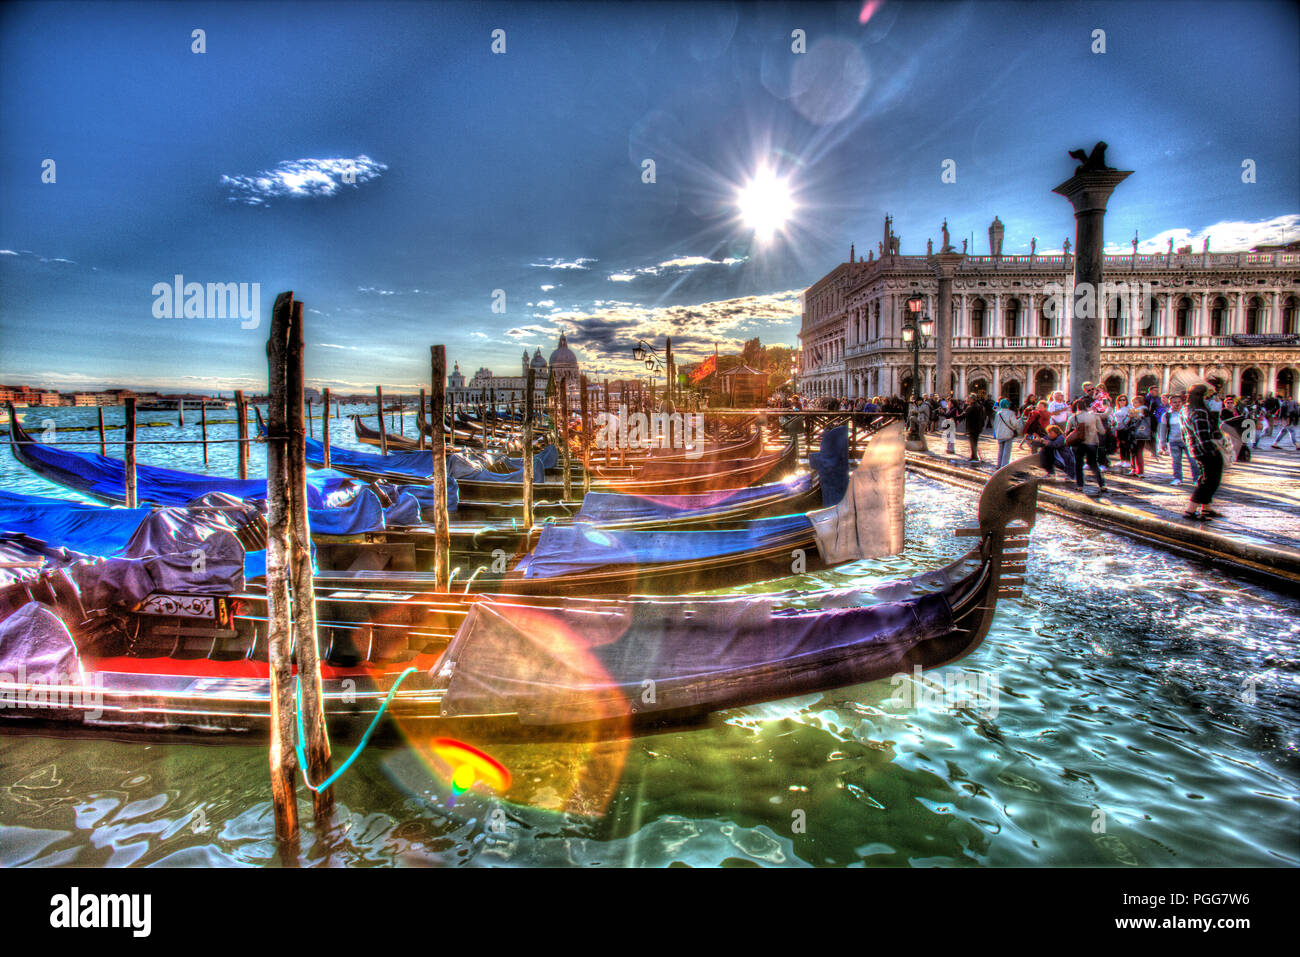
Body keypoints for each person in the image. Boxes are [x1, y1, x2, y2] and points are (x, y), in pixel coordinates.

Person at [1182, 384, 1224, 520]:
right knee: (1211, 480)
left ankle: (1206, 508)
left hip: (1194, 448)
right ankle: (1191, 509)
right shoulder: (1199, 411)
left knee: (1205, 476)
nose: (1210, 399)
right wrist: (1212, 450)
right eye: (1208, 396)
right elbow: (1202, 435)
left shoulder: (1186, 409)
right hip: (1204, 449)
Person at [1065, 397, 1107, 493]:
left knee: (1078, 464)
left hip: (1078, 443)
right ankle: (1101, 484)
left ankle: (1080, 485)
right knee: (1093, 464)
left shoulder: (1073, 417)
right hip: (1092, 442)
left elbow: (1066, 431)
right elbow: (1102, 431)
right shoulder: (1094, 416)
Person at [1158, 394, 1200, 485]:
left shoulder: (1186, 413)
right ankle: (1177, 478)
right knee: (1176, 461)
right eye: (1174, 402)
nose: (1177, 404)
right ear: (1170, 403)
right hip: (1173, 440)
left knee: (1193, 461)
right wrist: (1162, 442)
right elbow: (1163, 429)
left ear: (1182, 403)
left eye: (1179, 402)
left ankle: (1196, 479)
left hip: (1187, 440)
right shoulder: (1167, 415)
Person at [993, 398, 1020, 469]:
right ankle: (1004, 466)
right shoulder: (1011, 413)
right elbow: (1015, 424)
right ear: (1008, 405)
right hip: (1008, 434)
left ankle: (998, 464)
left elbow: (995, 424)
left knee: (1000, 450)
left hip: (999, 434)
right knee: (1006, 451)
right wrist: (1015, 428)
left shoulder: (997, 413)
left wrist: (996, 433)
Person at [1127, 401, 1150, 477]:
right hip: (1132, 434)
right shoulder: (1132, 411)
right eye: (1133, 402)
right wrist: (1130, 417)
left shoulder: (1144, 410)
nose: (1134, 404)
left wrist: (1138, 416)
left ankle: (1140, 471)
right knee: (1132, 452)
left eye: (1136, 402)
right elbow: (1126, 423)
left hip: (1140, 435)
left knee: (1139, 452)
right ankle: (1133, 469)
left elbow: (1146, 420)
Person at [963, 394, 987, 463]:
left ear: (972, 399)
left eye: (969, 398)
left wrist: (955, 418)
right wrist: (981, 425)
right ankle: (973, 456)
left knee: (973, 442)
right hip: (977, 427)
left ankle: (974, 457)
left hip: (972, 427)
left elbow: (964, 415)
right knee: (974, 442)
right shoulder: (979, 406)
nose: (967, 399)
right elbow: (983, 417)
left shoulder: (971, 407)